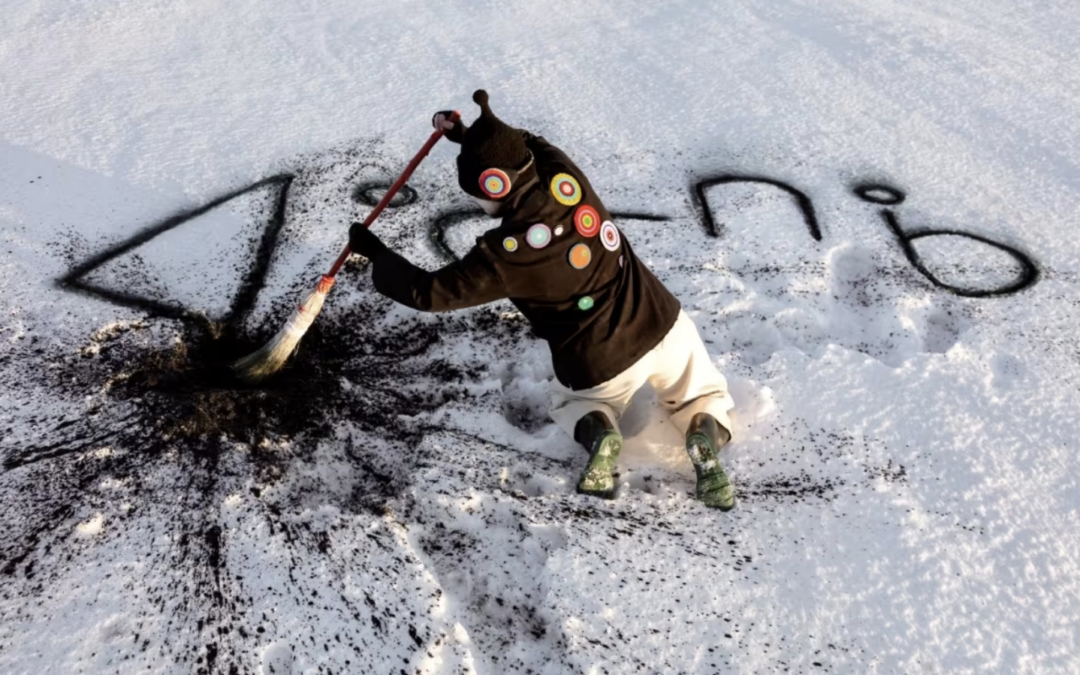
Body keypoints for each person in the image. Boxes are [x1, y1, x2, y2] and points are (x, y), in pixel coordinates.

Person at [348, 90, 737, 509]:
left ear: (491, 187)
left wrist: (378, 254)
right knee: (700, 391)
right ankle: (702, 431)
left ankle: (601, 432)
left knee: (576, 402)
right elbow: (524, 141)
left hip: (598, 360)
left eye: (477, 194)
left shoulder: (504, 255)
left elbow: (430, 293)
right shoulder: (561, 174)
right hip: (663, 320)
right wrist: (469, 136)